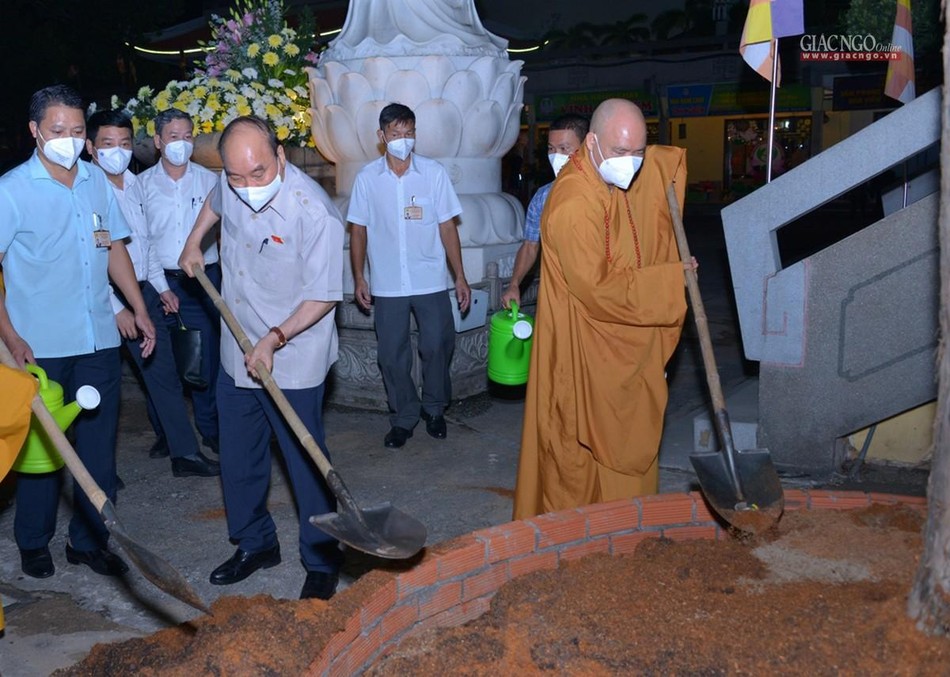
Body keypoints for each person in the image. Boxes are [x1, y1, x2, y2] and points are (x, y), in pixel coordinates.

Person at [178, 116, 344, 600]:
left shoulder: (314, 212)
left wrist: (274, 338)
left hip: (293, 350)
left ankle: (321, 556)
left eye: (259, 174)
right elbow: (214, 201)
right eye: (237, 176)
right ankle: (255, 543)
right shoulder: (230, 180)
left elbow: (324, 297)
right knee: (239, 454)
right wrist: (193, 243)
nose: (247, 185)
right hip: (237, 344)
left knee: (304, 459)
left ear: (281, 157)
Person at [0, 84, 156, 578]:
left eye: (75, 130)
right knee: (44, 454)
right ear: (34, 132)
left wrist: (138, 307)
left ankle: (89, 540)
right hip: (38, 347)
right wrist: (10, 338)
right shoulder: (11, 191)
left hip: (98, 342)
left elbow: (113, 249)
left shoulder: (94, 181)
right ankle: (33, 540)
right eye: (57, 131)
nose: (68, 139)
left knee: (96, 449)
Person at [512, 98, 695, 519]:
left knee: (604, 446)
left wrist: (658, 164)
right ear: (590, 144)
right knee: (575, 453)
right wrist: (670, 279)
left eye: (639, 153)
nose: (631, 164)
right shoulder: (574, 203)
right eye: (619, 152)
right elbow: (600, 289)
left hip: (602, 343)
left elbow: (644, 194)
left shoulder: (602, 176)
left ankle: (614, 531)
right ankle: (584, 538)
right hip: (580, 349)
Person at [85, 110, 219, 478]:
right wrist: (117, 308)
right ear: (90, 148)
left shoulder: (133, 184)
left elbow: (143, 246)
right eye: (108, 144)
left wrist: (160, 289)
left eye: (125, 144)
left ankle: (185, 453)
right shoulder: (87, 189)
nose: (118, 151)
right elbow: (88, 260)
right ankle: (96, 473)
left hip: (141, 290)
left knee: (164, 375)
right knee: (99, 385)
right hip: (103, 297)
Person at [348, 103, 470, 449]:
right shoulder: (367, 179)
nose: (403, 140)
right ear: (381, 136)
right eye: (396, 134)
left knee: (436, 345)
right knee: (391, 354)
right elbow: (358, 231)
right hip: (388, 283)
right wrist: (359, 277)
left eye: (409, 133)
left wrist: (459, 275)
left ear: (416, 134)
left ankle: (434, 409)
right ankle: (403, 416)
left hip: (430, 278)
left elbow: (448, 226)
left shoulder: (433, 173)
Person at [138, 108, 221, 457]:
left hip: (200, 281)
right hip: (157, 282)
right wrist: (159, 287)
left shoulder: (210, 181)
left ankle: (210, 428)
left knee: (205, 358)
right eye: (174, 137)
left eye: (188, 137)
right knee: (158, 361)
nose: (182, 144)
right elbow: (139, 242)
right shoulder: (141, 186)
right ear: (158, 142)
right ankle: (167, 432)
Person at [501, 114, 589, 309]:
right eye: (551, 149)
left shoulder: (606, 191)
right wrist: (514, 283)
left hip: (599, 296)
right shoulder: (543, 197)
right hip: (560, 296)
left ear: (586, 147)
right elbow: (530, 245)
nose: (556, 156)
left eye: (564, 149)